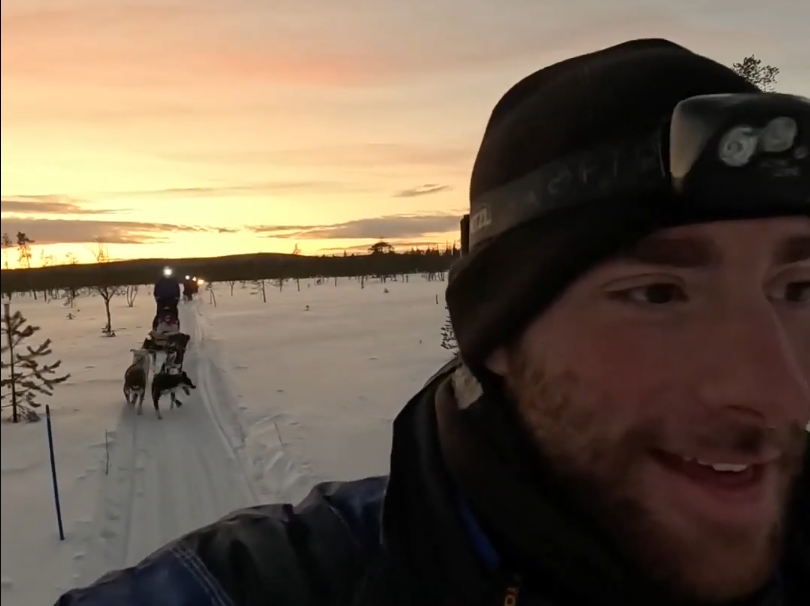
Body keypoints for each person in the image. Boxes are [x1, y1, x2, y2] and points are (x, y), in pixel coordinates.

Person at [55, 38, 809, 606]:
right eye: (658, 295)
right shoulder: (284, 584)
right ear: (499, 334)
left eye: (799, 288)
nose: (780, 390)